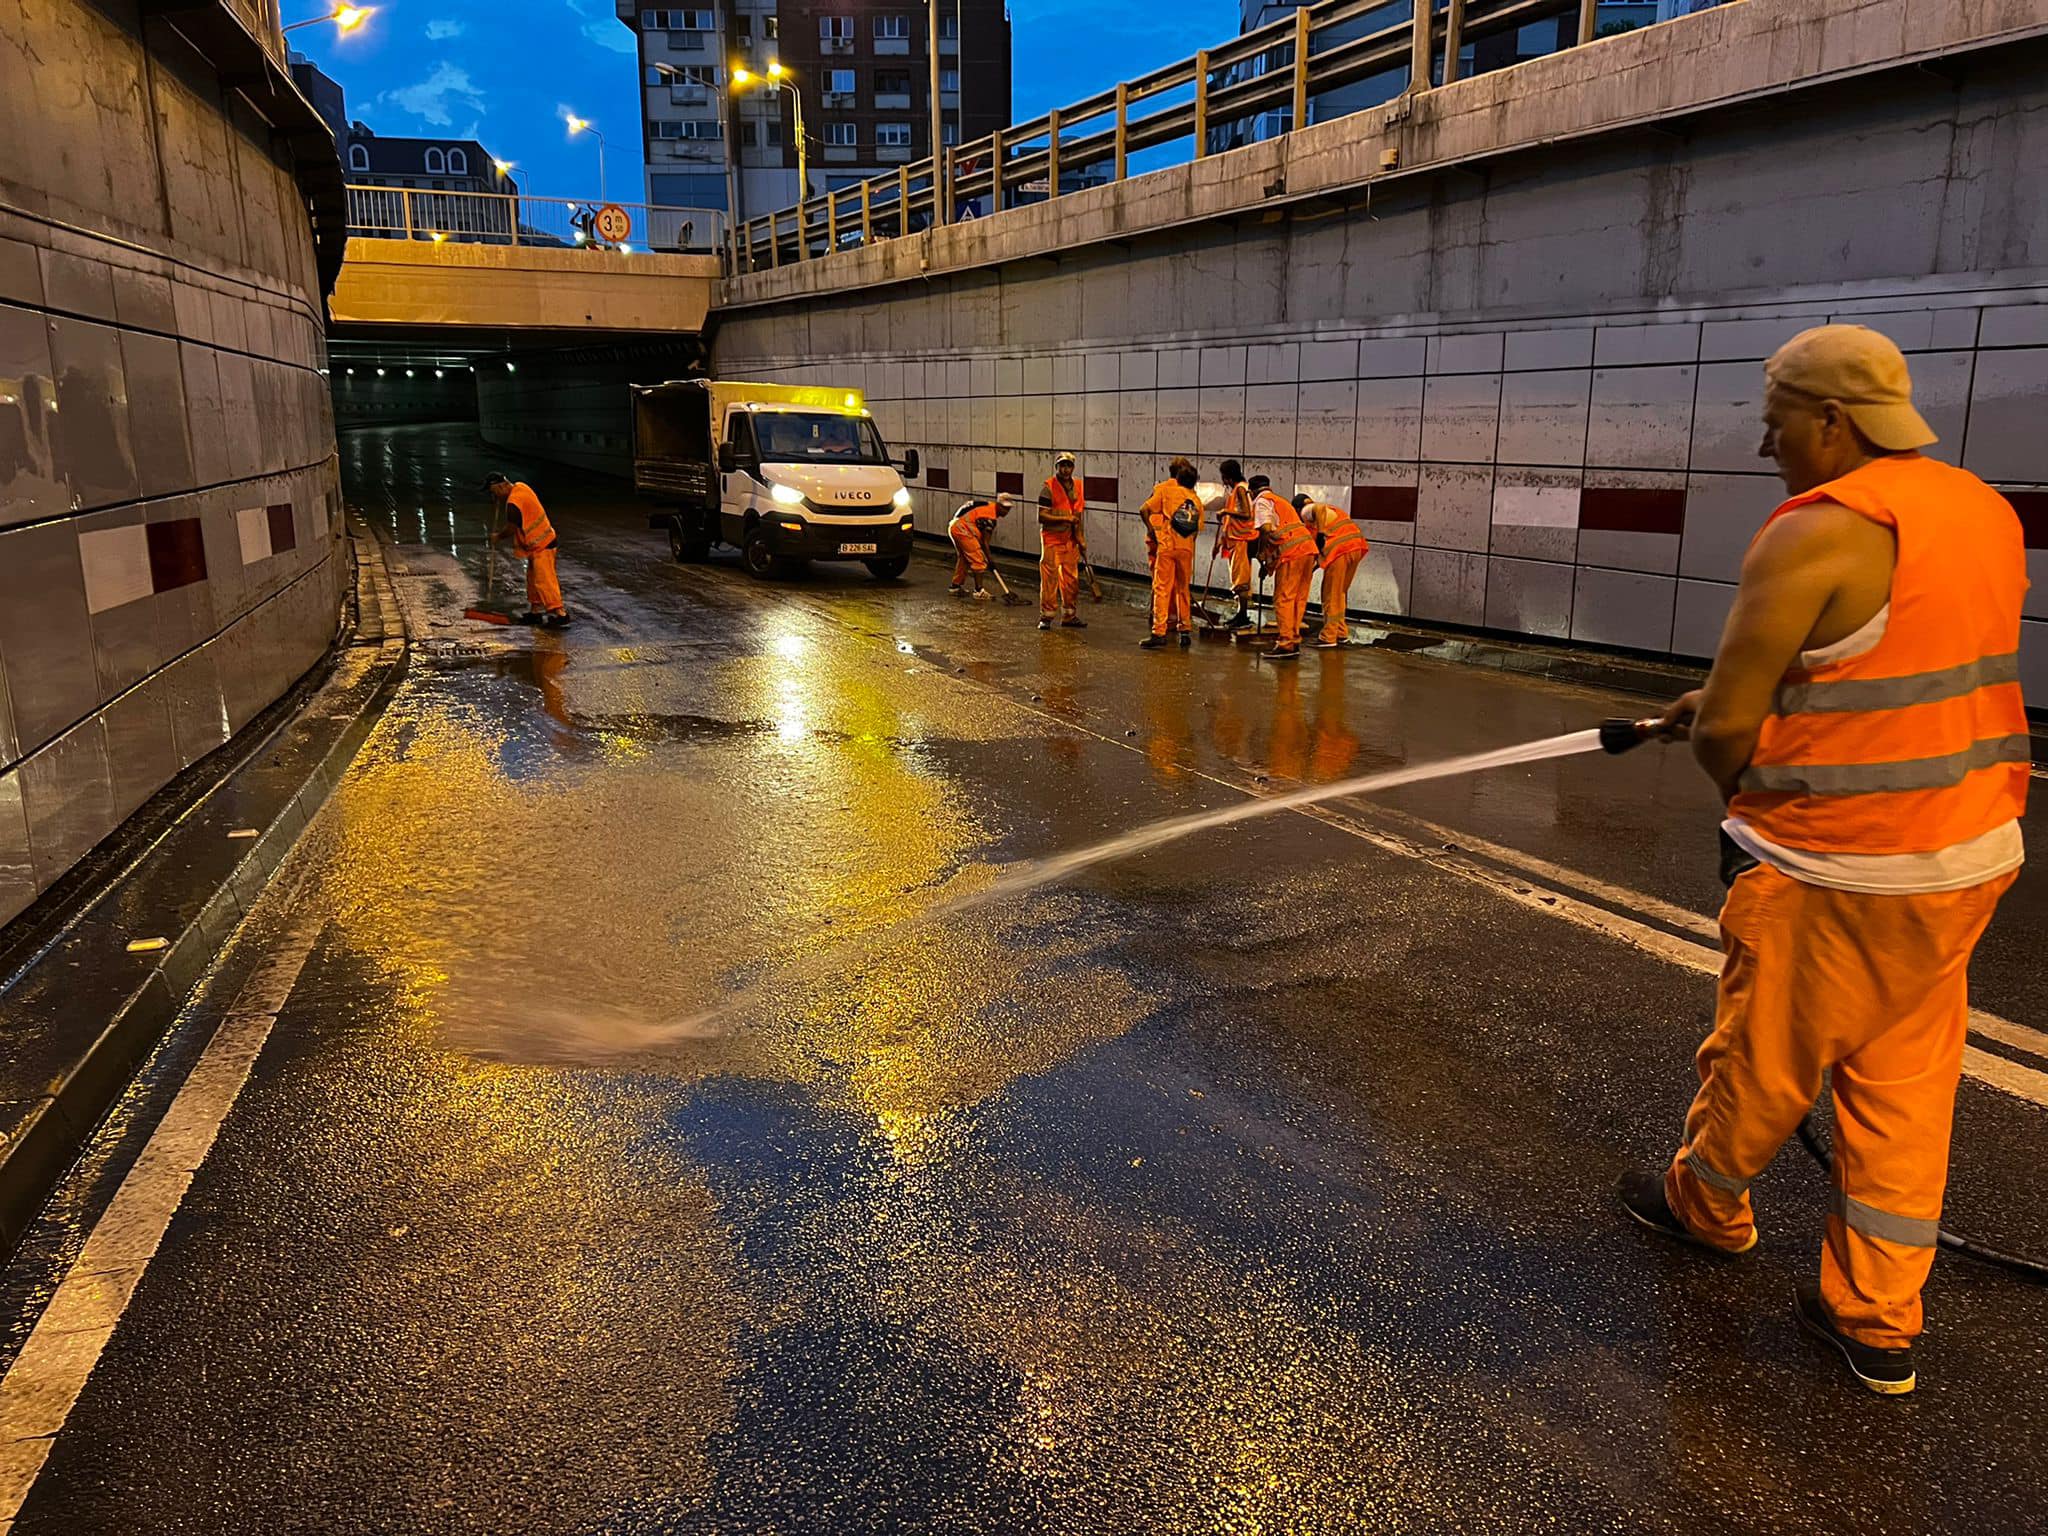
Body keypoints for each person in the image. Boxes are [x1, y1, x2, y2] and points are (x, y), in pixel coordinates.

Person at [1616, 325, 2028, 1397]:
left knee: (1762, 1059)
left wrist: (1736, 796)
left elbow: (1725, 736)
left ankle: (1705, 1207)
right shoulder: (1974, 508)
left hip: (1837, 864)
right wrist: (1743, 701)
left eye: (1775, 428)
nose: (1768, 451)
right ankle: (1875, 1316)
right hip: (1965, 854)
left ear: (1829, 422)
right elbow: (1889, 654)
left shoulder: (1812, 533)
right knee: (1900, 1084)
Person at [485, 472, 570, 626]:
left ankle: (560, 614)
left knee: (544, 580)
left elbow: (511, 528)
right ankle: (535, 612)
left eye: (494, 492)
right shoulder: (520, 486)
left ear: (501, 486)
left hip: (543, 544)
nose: (494, 496)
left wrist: (497, 536)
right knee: (532, 579)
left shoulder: (513, 503)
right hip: (536, 544)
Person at [1139, 458, 1203, 649]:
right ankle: (1185, 631)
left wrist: (1151, 530)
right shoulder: (1196, 500)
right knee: (1183, 589)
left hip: (1167, 546)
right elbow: (1196, 529)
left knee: (1162, 588)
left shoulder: (1165, 491)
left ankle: (1159, 632)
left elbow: (1144, 509)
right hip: (1186, 549)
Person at [1296, 493, 1368, 649]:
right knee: (1339, 593)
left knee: (1330, 594)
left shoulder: (1307, 510)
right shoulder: (1331, 512)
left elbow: (1318, 507)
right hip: (1355, 547)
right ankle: (1340, 633)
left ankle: (1328, 637)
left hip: (1340, 550)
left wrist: (1321, 533)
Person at [1256, 483, 1316, 660]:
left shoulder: (1261, 501)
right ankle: (1294, 639)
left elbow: (1266, 531)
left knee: (1284, 598)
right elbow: (1277, 545)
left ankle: (1285, 643)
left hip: (1293, 554)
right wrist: (1267, 567)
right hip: (1308, 550)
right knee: (1299, 598)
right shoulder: (1281, 502)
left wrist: (1261, 553)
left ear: (1252, 492)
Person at [1037, 452, 1087, 630]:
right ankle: (1047, 616)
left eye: (1068, 466)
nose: (1065, 469)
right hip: (1051, 540)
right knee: (1050, 579)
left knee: (1071, 580)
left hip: (1070, 541)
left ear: (1073, 468)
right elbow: (1042, 516)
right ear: (1056, 467)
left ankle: (1069, 615)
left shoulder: (1078, 486)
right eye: (1062, 466)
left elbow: (1078, 514)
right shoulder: (1048, 487)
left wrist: (1080, 538)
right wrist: (1065, 520)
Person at [1214, 459, 1258, 630]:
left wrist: (1225, 511)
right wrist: (1219, 543)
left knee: (1241, 581)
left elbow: (1246, 513)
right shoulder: (1238, 490)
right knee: (1238, 579)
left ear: (1228, 477)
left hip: (1242, 540)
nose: (1223, 481)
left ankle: (1243, 616)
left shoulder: (1241, 489)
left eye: (1224, 477)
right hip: (1235, 540)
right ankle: (1240, 614)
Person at [948, 494, 1009, 599]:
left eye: (1008, 509)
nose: (1006, 511)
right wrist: (990, 560)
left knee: (964, 559)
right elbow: (984, 543)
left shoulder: (987, 506)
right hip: (963, 529)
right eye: (1004, 508)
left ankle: (955, 587)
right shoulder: (990, 517)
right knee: (978, 560)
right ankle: (979, 591)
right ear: (998, 505)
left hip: (955, 526)